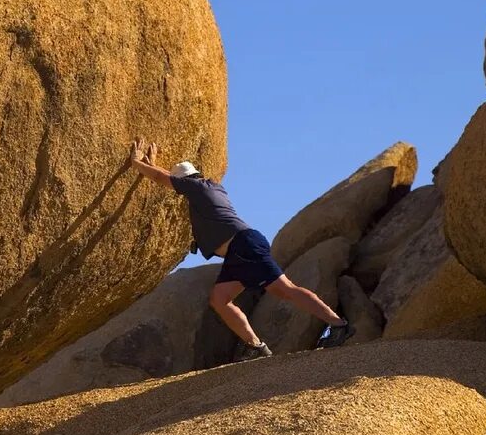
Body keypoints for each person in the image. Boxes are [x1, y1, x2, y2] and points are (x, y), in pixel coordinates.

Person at [127, 138, 353, 360]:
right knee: (220, 299)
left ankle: (338, 325)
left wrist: (137, 163)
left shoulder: (195, 188)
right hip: (238, 252)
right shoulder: (210, 188)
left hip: (245, 246)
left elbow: (160, 177)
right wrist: (152, 164)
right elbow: (165, 177)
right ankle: (256, 346)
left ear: (185, 181)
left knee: (286, 289)